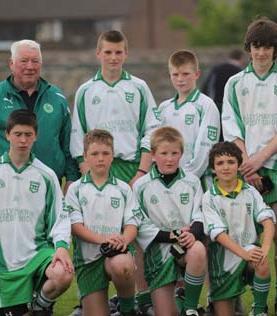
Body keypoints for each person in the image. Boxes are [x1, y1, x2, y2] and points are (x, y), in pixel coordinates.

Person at [0, 39, 79, 316]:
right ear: (11, 64)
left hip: (43, 189)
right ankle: (1, 297)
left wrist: (72, 179)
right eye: (24, 61)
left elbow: (69, 143)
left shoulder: (57, 98)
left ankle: (41, 304)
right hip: (5, 188)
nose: (30, 66)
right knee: (6, 237)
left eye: (35, 61)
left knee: (49, 249)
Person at [70, 30, 160, 314]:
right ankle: (90, 297)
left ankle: (139, 301)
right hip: (96, 167)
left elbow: (151, 129)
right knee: (94, 225)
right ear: (98, 53)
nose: (113, 57)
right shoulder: (86, 90)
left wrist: (142, 171)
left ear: (126, 54)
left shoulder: (139, 87)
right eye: (107, 52)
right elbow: (78, 136)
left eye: (118, 52)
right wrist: (88, 176)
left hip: (132, 168)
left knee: (138, 233)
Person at [222, 16, 277, 315]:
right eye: (256, 46)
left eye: (268, 47)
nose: (261, 52)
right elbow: (231, 127)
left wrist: (260, 160)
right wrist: (247, 163)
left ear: (276, 49)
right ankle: (237, 297)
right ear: (249, 47)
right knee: (242, 235)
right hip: (244, 170)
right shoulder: (235, 83)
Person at [0, 109, 74, 316]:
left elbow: (61, 217)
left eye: (28, 134)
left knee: (62, 273)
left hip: (38, 255)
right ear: (7, 134)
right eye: (18, 134)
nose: (23, 140)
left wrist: (62, 247)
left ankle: (39, 305)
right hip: (5, 262)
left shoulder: (46, 175)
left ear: (35, 136)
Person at [65, 129, 140, 316]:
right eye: (95, 154)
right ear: (85, 156)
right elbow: (75, 227)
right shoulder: (75, 189)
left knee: (122, 264)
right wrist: (104, 239)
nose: (100, 158)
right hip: (88, 261)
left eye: (106, 153)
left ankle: (127, 309)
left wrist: (124, 240)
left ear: (113, 156)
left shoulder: (123, 188)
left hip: (115, 254)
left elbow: (132, 223)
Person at [133, 127, 206, 316]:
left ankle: (190, 308)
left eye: (174, 153)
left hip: (185, 248)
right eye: (164, 153)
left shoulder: (192, 182)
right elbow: (140, 224)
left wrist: (191, 234)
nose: (170, 158)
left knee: (198, 249)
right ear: (153, 154)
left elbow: (200, 215)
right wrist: (172, 235)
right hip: (158, 254)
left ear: (181, 154)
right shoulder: (141, 186)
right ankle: (179, 300)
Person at [202, 141, 275, 316]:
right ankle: (221, 301)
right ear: (213, 168)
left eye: (231, 162)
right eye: (220, 163)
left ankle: (259, 311)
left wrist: (264, 249)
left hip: (248, 250)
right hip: (222, 263)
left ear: (239, 165)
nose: (226, 167)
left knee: (261, 261)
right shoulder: (209, 198)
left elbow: (268, 221)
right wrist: (244, 254)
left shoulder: (251, 192)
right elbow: (219, 235)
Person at [159, 49, 220, 189]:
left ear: (196, 74)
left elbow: (206, 149)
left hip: (198, 182)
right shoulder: (163, 108)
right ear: (170, 75)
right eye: (175, 74)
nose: (180, 79)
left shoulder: (206, 105)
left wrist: (185, 179)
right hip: (167, 183)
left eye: (185, 74)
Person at [201, 48, 244, 141]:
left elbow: (207, 86)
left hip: (215, 105)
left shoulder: (216, 69)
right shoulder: (240, 72)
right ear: (241, 58)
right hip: (231, 108)